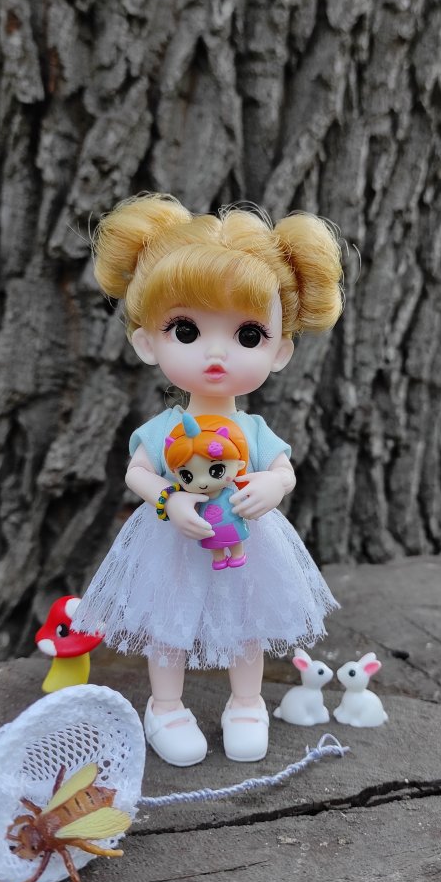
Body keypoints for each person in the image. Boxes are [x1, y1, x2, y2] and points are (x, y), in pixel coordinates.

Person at [73, 193, 343, 766]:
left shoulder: (255, 428)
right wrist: (169, 500)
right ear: (147, 342)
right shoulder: (165, 428)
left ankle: (246, 702)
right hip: (173, 538)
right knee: (168, 622)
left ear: (280, 351)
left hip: (247, 538)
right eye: (186, 330)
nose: (216, 354)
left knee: (247, 620)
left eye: (248, 335)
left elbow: (282, 469)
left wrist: (272, 486)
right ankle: (165, 706)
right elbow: (138, 472)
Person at [163, 413, 251, 571]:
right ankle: (219, 558)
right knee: (214, 543)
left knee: (235, 540)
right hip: (207, 528)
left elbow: (238, 503)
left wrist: (246, 507)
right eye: (187, 476)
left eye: (217, 470)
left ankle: (238, 555)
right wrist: (174, 503)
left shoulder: (228, 494)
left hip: (230, 523)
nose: (202, 482)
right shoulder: (198, 499)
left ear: (239, 465)